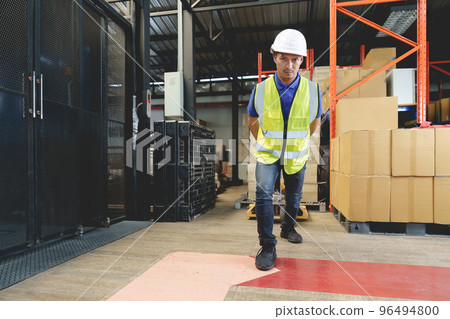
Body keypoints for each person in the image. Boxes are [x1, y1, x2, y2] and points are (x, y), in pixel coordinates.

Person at [247, 29, 322, 271]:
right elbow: (252, 117)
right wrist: (265, 141)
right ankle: (267, 246)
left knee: (294, 197)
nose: (289, 65)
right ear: (275, 57)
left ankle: (287, 228)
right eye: (284, 58)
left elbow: (314, 120)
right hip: (268, 153)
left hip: (296, 154)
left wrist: (300, 142)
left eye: (295, 59)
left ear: (302, 60)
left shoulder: (312, 89)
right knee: (262, 194)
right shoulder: (261, 89)